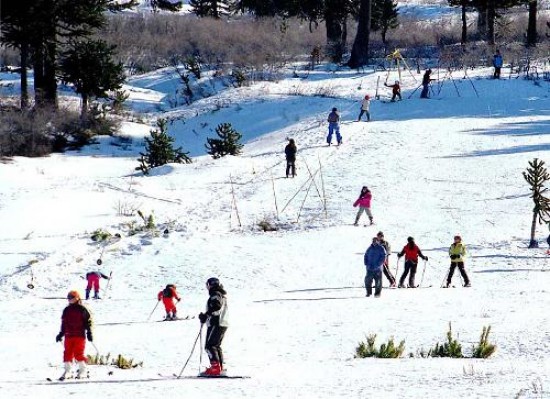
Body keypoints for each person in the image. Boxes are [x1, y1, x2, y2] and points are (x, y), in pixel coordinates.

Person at [55, 290, 93, 380]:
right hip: (69, 335)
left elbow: (88, 321)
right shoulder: (67, 310)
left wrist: (89, 332)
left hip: (79, 335)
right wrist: (61, 333)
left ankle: (83, 370)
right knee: (67, 353)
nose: (69, 299)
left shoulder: (82, 309)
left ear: (77, 298)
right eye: (68, 298)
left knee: (78, 353)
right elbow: (64, 323)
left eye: (71, 298)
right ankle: (68, 371)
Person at [198, 277, 229, 376]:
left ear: (210, 285)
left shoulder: (215, 294)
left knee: (210, 346)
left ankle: (215, 368)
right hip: (222, 322)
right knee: (215, 346)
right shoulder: (220, 294)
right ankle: (219, 368)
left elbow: (216, 306)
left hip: (216, 322)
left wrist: (206, 315)